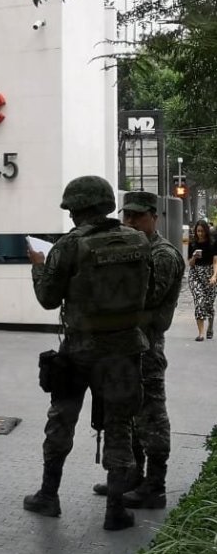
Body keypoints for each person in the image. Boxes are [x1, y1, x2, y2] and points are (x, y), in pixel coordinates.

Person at [24, 176, 151, 531]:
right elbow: (150, 290)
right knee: (120, 425)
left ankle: (49, 496)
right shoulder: (138, 240)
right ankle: (115, 509)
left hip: (80, 350)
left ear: (78, 209)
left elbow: (49, 298)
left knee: (62, 419)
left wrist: (37, 264)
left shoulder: (69, 246)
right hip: (125, 349)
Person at [91, 192, 185, 508]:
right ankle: (132, 477)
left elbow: (146, 298)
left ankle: (154, 486)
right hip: (125, 346)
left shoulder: (163, 255)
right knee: (128, 416)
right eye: (126, 216)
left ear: (153, 217)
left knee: (152, 416)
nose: (129, 222)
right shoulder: (133, 251)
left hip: (147, 347)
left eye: (137, 216)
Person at [187, 220, 216, 340]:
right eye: (198, 231)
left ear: (206, 231)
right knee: (199, 301)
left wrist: (214, 276)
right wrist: (194, 257)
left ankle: (210, 326)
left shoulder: (213, 243)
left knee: (209, 304)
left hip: (209, 273)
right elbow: (190, 263)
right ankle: (201, 333)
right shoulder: (192, 244)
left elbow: (215, 262)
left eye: (202, 231)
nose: (200, 234)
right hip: (195, 274)